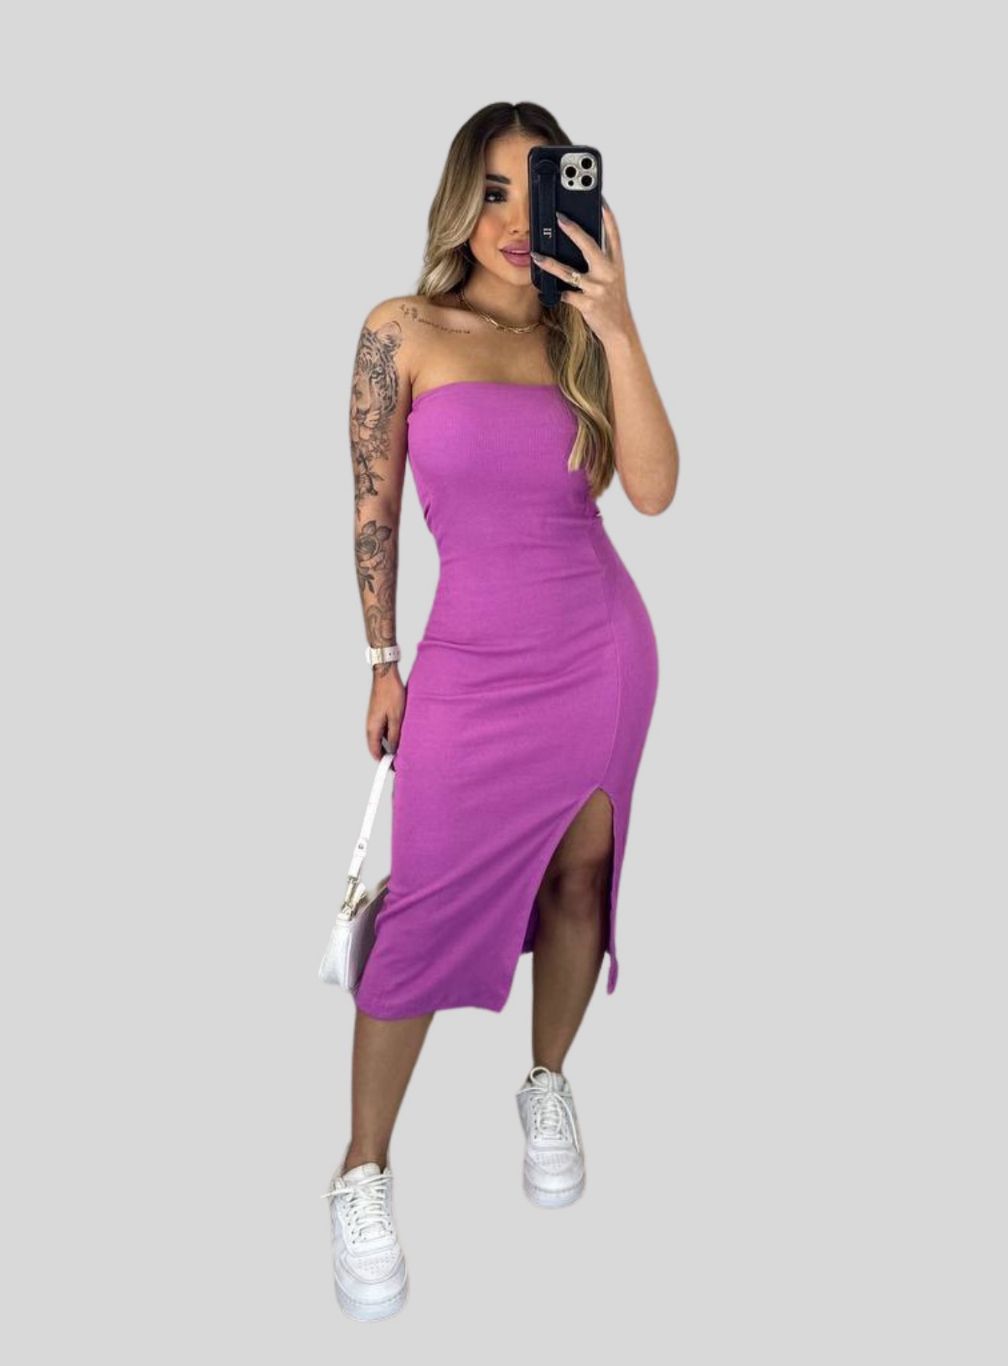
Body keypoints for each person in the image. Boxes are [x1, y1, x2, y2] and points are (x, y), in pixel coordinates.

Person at [324, 101, 678, 1322]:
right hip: (468, 662)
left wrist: (616, 320)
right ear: (457, 203)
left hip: (598, 650)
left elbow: (653, 490)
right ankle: (361, 1169)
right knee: (420, 913)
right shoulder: (403, 329)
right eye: (492, 191)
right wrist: (382, 659)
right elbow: (370, 504)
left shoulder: (580, 336)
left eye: (541, 191)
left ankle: (546, 1079)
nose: (517, 221)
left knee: (580, 880)